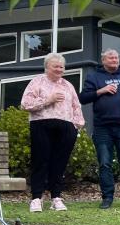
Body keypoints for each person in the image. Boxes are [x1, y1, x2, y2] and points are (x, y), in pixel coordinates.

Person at [79, 48, 120, 209]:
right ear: (103, 60)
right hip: (103, 128)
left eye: (116, 58)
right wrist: (101, 91)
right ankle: (107, 198)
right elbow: (83, 98)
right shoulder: (94, 76)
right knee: (104, 163)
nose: (114, 60)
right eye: (111, 58)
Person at [21, 53, 85, 212]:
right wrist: (48, 100)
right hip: (41, 125)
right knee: (40, 160)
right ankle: (36, 198)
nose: (59, 69)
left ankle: (56, 197)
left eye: (61, 66)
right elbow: (25, 104)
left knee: (60, 162)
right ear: (47, 67)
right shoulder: (37, 81)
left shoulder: (68, 85)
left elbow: (76, 106)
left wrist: (77, 125)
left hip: (66, 127)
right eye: (55, 66)